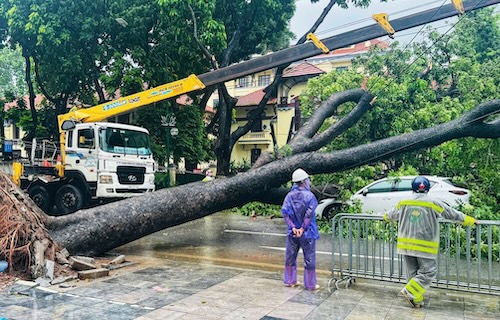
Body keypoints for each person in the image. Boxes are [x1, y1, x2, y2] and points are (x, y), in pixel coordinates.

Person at [383, 176, 476, 308]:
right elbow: (452, 214)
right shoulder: (433, 202)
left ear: (413, 188)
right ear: (427, 188)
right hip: (424, 245)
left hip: (406, 245)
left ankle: (416, 300)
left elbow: (389, 215)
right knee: (428, 272)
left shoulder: (403, 202)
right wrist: (470, 220)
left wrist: (385, 217)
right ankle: (410, 292)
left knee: (413, 273)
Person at [281, 168, 320, 290]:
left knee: (290, 257)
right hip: (307, 232)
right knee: (309, 257)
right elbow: (309, 214)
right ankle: (310, 284)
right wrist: (302, 228)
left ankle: (290, 281)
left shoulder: (289, 196)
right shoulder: (310, 197)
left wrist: (293, 228)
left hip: (292, 233)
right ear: (304, 181)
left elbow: (285, 213)